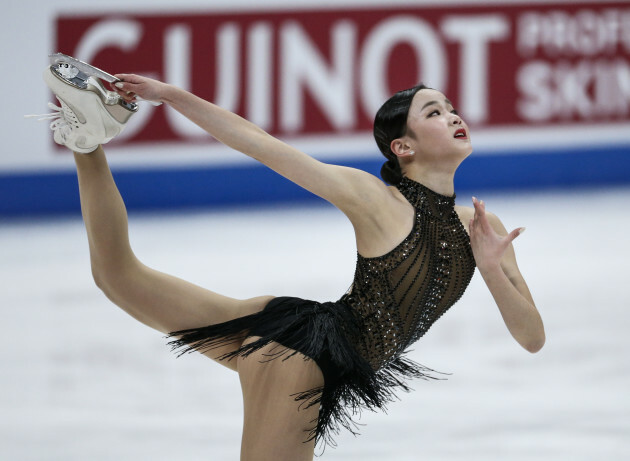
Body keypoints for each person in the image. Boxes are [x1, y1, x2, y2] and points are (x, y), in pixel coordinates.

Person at [39, 65, 545, 461]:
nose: (455, 116)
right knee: (120, 277)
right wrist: (172, 96)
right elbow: (261, 146)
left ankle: (86, 142)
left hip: (299, 338)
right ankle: (88, 139)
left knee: (117, 278)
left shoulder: (483, 226)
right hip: (303, 361)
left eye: (452, 108)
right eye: (434, 112)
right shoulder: (376, 200)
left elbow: (531, 338)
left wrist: (492, 267)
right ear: (403, 146)